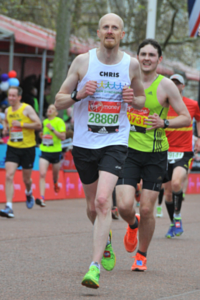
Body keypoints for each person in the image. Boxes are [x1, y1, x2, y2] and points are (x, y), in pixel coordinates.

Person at [55, 13, 146, 289]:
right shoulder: (83, 62)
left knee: (104, 201)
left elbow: (141, 99)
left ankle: (94, 267)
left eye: (114, 28)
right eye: (105, 27)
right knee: (92, 206)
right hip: (84, 144)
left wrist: (134, 99)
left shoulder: (131, 64)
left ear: (122, 34)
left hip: (115, 141)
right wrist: (78, 95)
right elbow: (58, 101)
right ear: (98, 32)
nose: (109, 31)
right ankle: (105, 240)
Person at [115, 39, 191, 272]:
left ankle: (142, 255)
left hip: (156, 154)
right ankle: (132, 223)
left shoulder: (166, 85)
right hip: (127, 151)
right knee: (125, 206)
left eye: (151, 54)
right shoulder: (124, 80)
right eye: (143, 54)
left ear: (159, 59)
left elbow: (186, 117)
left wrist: (164, 122)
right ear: (137, 57)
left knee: (147, 208)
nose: (147, 58)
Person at [163, 74, 200, 238]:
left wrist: (199, 137)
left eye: (178, 83)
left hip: (184, 151)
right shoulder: (162, 104)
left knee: (177, 182)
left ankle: (177, 216)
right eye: (172, 83)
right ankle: (174, 222)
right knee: (168, 192)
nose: (175, 86)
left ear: (183, 87)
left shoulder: (192, 105)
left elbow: (198, 119)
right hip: (164, 151)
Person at [0, 86, 42, 218]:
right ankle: (9, 207)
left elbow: (38, 125)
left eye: (13, 96)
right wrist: (6, 129)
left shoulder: (27, 108)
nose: (10, 98)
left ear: (19, 97)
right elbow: (7, 122)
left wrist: (22, 125)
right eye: (9, 95)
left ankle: (28, 192)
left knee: (26, 179)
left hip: (28, 148)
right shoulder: (7, 111)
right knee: (9, 175)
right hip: (13, 147)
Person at [35, 104, 66, 207]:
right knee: (42, 174)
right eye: (48, 108)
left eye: (52, 109)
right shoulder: (44, 122)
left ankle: (55, 182)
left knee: (55, 175)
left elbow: (63, 137)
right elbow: (46, 135)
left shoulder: (59, 121)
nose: (49, 110)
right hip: (45, 151)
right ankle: (42, 197)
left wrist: (52, 129)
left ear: (56, 113)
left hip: (56, 152)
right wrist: (42, 136)